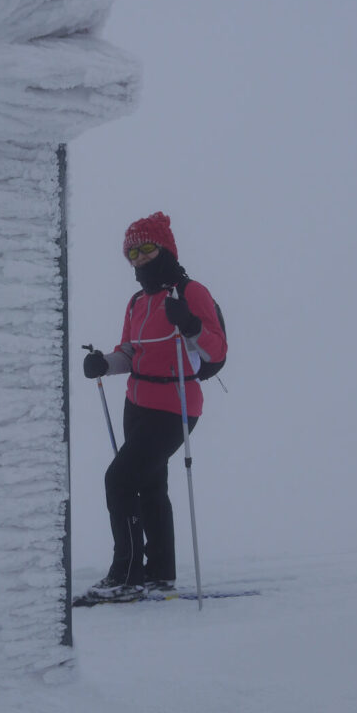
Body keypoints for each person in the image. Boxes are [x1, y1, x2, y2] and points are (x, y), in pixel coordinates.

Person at [82, 212, 227, 600]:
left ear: (165, 249)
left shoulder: (191, 293)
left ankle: (127, 576)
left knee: (120, 480)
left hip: (175, 407)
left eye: (147, 249)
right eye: (132, 253)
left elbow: (217, 349)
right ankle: (160, 572)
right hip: (137, 404)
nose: (140, 259)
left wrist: (192, 326)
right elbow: (130, 352)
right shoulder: (137, 302)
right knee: (149, 486)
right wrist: (104, 363)